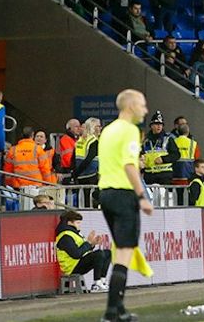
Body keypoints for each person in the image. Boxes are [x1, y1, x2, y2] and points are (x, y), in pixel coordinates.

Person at [95, 90, 153, 321]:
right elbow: (130, 165)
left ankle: (118, 309)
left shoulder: (108, 130)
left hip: (105, 193)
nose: (145, 110)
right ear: (130, 106)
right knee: (125, 252)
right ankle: (111, 311)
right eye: (142, 105)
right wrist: (142, 197)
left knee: (121, 250)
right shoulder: (130, 130)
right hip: (123, 194)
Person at [56, 209, 112, 287]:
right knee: (98, 254)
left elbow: (83, 250)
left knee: (108, 253)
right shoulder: (66, 236)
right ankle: (96, 283)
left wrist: (92, 244)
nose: (80, 225)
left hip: (79, 263)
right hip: (72, 267)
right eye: (78, 223)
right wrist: (88, 243)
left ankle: (102, 281)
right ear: (69, 223)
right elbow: (76, 254)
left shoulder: (74, 233)